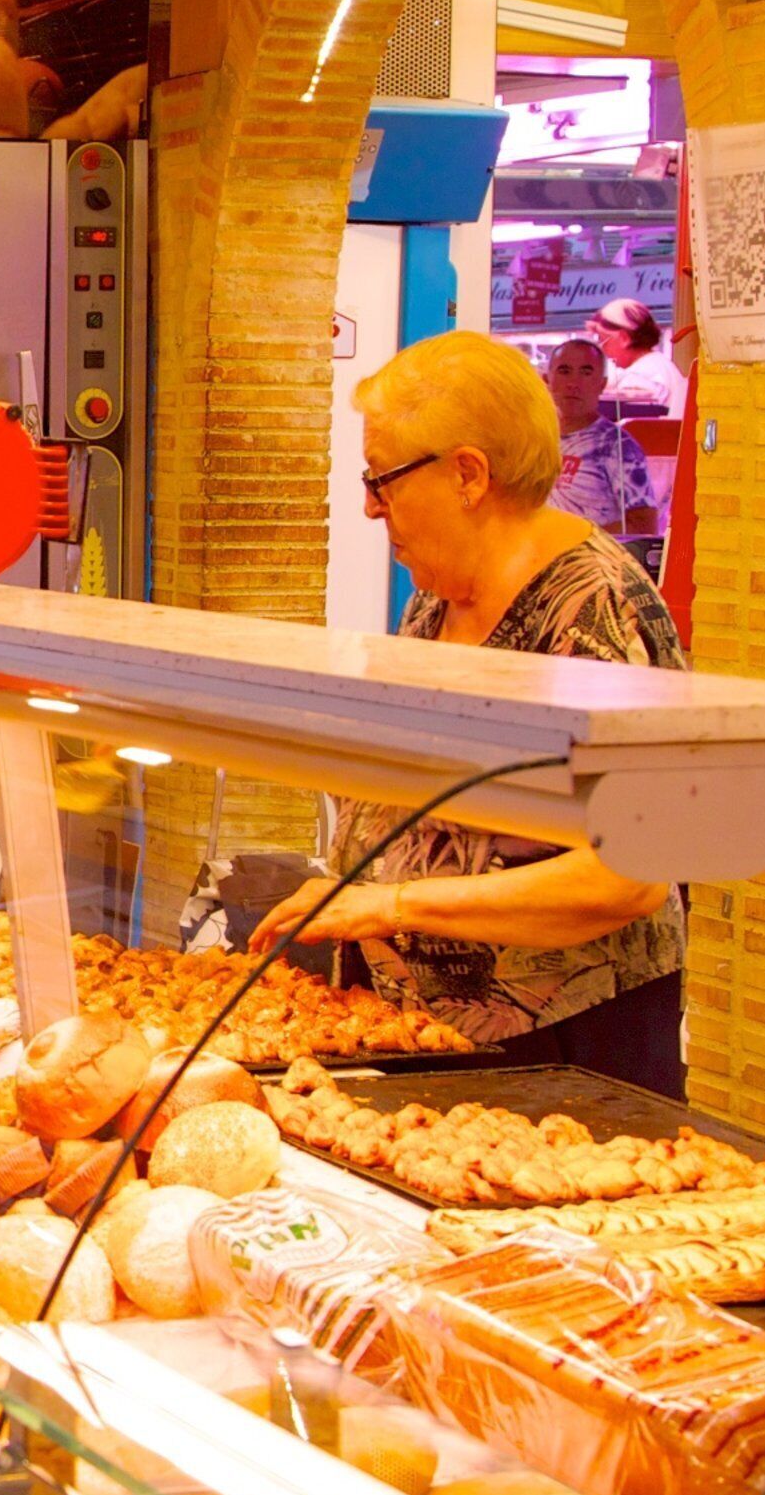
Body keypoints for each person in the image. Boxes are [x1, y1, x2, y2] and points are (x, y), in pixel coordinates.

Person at [257, 332, 690, 1094]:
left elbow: (630, 877)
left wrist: (388, 904)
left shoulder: (598, 610)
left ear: (467, 474)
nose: (368, 505)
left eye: (381, 478)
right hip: (417, 1034)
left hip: (566, 1048)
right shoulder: (437, 592)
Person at [540, 336, 659, 539]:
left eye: (586, 372)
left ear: (602, 384)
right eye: (564, 371)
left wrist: (575, 540)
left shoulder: (616, 446)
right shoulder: (534, 440)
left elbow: (643, 524)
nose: (573, 383)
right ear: (546, 380)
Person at [590, 298, 687, 413]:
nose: (601, 348)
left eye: (602, 339)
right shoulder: (662, 364)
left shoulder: (639, 377)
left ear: (624, 338)